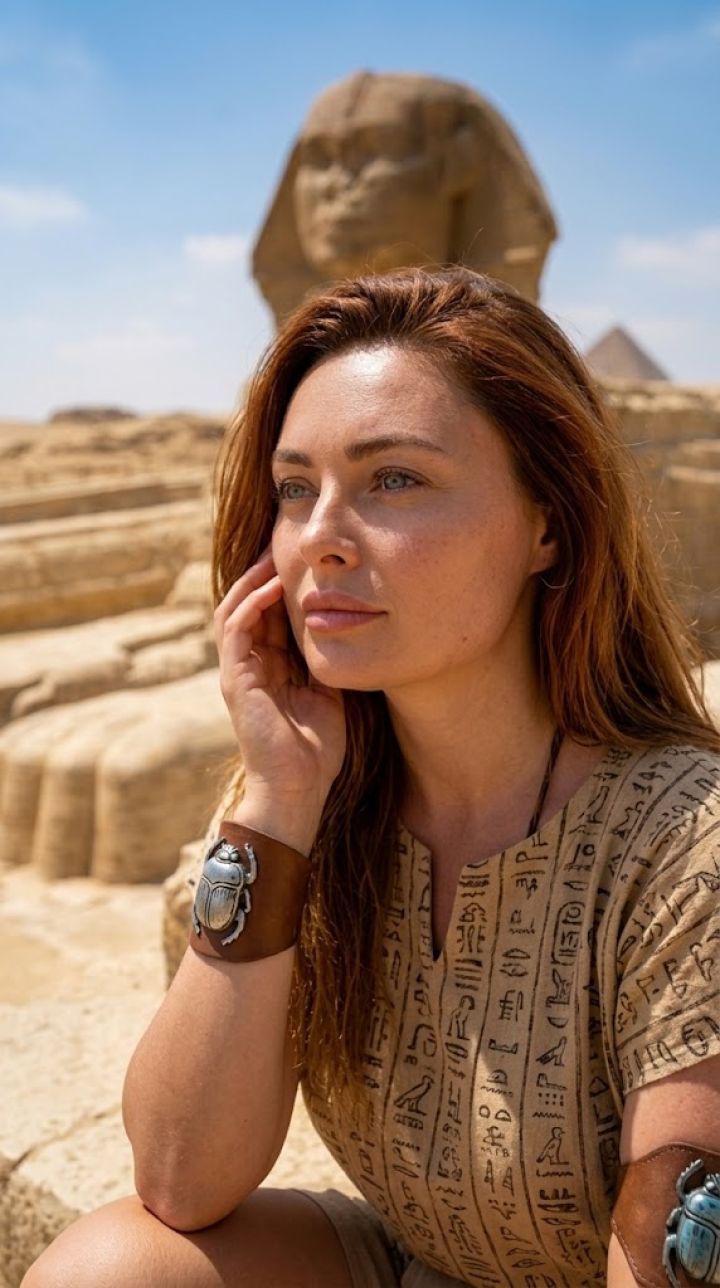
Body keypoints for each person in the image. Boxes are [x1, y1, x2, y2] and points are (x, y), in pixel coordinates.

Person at [22, 267, 720, 1288]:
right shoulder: (312, 804)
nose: (320, 542)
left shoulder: (687, 848)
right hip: (422, 1263)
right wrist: (278, 799)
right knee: (110, 1270)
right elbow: (178, 1179)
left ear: (549, 522)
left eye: (394, 478)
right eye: (297, 489)